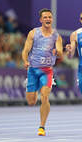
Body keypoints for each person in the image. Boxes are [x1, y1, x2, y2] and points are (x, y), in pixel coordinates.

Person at [22, 8, 63, 136]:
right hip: (33, 70)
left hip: (47, 71)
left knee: (45, 96)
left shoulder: (56, 36)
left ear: (52, 19)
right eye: (45, 17)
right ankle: (33, 93)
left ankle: (42, 127)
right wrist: (25, 61)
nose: (48, 19)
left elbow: (61, 52)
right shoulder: (33, 33)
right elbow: (25, 51)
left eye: (49, 17)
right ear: (41, 20)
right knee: (31, 101)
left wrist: (58, 52)